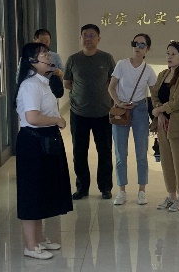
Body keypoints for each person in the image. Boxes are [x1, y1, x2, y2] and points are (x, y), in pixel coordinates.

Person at [14, 42, 73, 259]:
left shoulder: (43, 82)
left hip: (45, 140)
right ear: (32, 61)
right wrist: (57, 120)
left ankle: (39, 239)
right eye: (44, 55)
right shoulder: (30, 85)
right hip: (33, 142)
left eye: (48, 55)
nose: (49, 58)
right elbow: (32, 117)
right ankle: (30, 246)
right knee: (32, 192)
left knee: (42, 190)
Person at [63, 24, 115, 200]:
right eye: (85, 35)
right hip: (79, 113)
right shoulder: (73, 59)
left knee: (105, 152)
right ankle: (82, 187)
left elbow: (113, 81)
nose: (88, 38)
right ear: (80, 38)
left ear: (99, 39)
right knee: (79, 152)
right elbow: (67, 82)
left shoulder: (106, 58)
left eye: (92, 35)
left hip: (103, 113)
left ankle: (105, 187)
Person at [108, 33, 156, 206]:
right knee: (120, 153)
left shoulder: (148, 70)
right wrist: (118, 102)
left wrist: (157, 113)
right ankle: (121, 190)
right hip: (122, 109)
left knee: (141, 152)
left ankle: (142, 190)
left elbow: (154, 94)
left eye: (142, 45)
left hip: (140, 110)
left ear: (147, 49)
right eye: (135, 43)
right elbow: (111, 87)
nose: (137, 47)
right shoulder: (121, 64)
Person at [150, 41, 179, 212]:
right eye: (168, 53)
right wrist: (159, 113)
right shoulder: (163, 74)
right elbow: (154, 95)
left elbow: (177, 102)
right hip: (162, 124)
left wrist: (159, 109)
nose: (169, 57)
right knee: (166, 161)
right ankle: (171, 195)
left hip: (177, 124)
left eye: (173, 54)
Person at [34, 28, 65, 97]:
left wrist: (59, 73)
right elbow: (20, 76)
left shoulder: (55, 56)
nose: (44, 44)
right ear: (35, 41)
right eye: (41, 41)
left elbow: (63, 72)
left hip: (51, 92)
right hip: (34, 92)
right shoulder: (27, 57)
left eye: (47, 42)